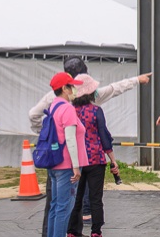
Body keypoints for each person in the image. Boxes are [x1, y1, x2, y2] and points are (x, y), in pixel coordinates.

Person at [29, 57, 150, 237]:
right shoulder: (80, 103)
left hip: (55, 159)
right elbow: (114, 90)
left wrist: (48, 136)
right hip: (73, 160)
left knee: (57, 203)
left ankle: (69, 232)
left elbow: (34, 115)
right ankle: (82, 231)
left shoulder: (52, 100)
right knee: (69, 204)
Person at [67, 74, 117, 237]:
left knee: (76, 197)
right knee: (96, 198)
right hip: (96, 159)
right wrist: (113, 160)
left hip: (76, 161)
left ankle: (72, 231)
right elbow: (104, 136)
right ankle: (96, 231)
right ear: (90, 92)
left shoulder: (70, 111)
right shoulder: (96, 111)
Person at [44, 71, 86, 237]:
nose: (74, 89)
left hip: (54, 163)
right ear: (64, 88)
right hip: (67, 165)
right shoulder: (67, 109)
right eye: (71, 86)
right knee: (64, 208)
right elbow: (70, 139)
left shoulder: (53, 106)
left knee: (55, 206)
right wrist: (76, 166)